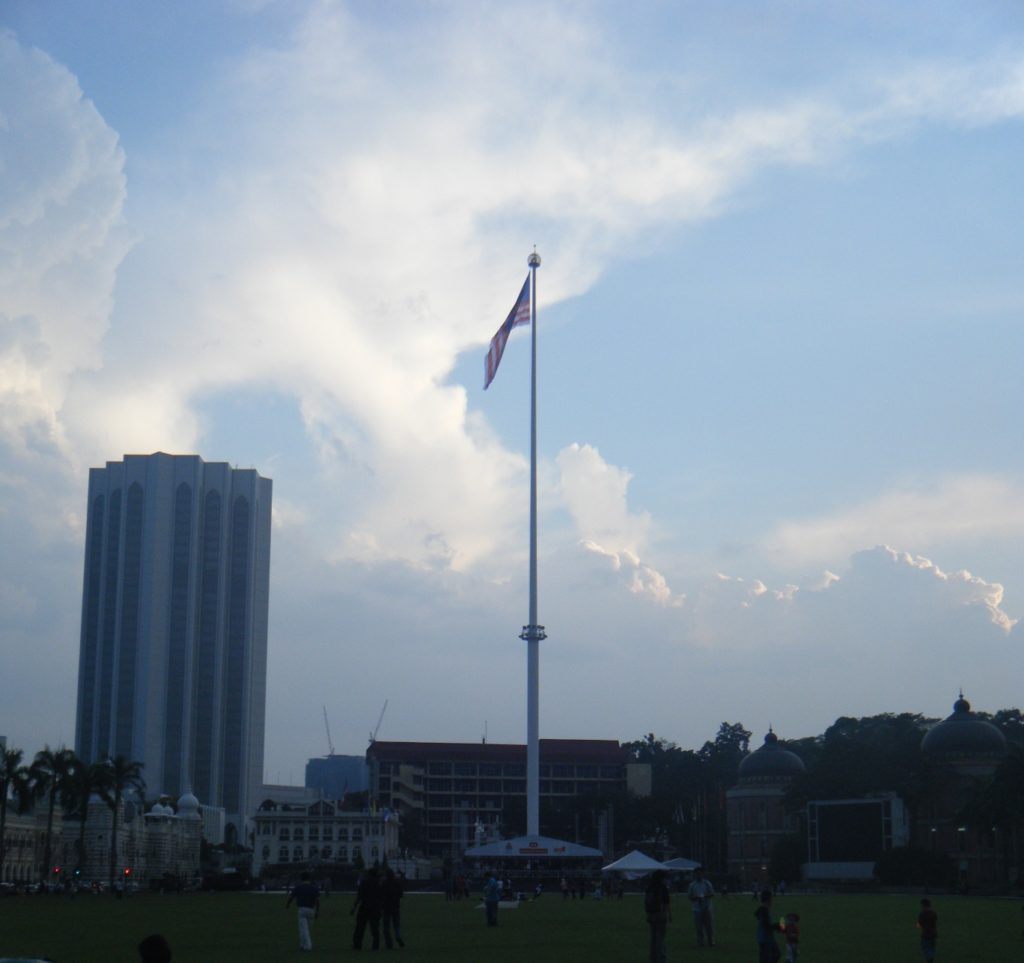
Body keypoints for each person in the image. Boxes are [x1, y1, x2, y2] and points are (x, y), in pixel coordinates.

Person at [286, 872, 320, 952]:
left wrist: (288, 905)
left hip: (302, 909)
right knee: (307, 928)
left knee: (303, 929)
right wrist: (317, 912)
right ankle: (302, 945)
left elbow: (291, 897)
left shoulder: (298, 887)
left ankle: (307, 946)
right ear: (309, 879)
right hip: (311, 909)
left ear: (301, 879)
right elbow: (317, 901)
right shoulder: (314, 888)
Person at [351, 865, 383, 950]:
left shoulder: (364, 883)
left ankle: (357, 945)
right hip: (375, 908)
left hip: (364, 907)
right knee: (375, 929)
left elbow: (359, 896)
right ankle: (375, 946)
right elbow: (381, 898)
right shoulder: (379, 884)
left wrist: (354, 907)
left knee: (360, 928)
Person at [644, 869, 671, 963]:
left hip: (651, 914)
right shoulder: (662, 887)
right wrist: (669, 915)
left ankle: (653, 957)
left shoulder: (649, 887)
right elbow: (666, 903)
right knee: (661, 938)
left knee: (653, 937)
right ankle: (661, 958)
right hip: (660, 914)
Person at [687, 866, 715, 947]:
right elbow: (689, 896)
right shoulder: (692, 885)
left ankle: (711, 941)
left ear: (703, 874)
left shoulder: (707, 883)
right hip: (696, 909)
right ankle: (700, 942)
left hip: (707, 907)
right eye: (696, 874)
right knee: (698, 927)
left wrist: (704, 896)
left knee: (709, 926)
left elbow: (712, 893)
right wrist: (696, 898)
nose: (698, 875)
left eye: (700, 873)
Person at [755, 889, 782, 963]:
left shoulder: (765, 909)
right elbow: (766, 925)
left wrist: (778, 927)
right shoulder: (764, 910)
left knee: (776, 954)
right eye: (771, 898)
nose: (772, 901)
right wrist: (777, 926)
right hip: (765, 939)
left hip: (769, 938)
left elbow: (768, 924)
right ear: (768, 899)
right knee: (765, 959)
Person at [382, 867, 406, 949]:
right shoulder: (397, 883)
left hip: (386, 907)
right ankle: (398, 936)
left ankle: (389, 942)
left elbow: (381, 895)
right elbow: (401, 894)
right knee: (396, 924)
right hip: (395, 906)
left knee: (386, 926)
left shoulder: (384, 883)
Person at [917, 898, 938, 962]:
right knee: (932, 948)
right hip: (933, 934)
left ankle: (930, 959)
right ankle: (931, 957)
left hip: (925, 934)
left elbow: (919, 924)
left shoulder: (922, 913)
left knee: (926, 948)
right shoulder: (933, 913)